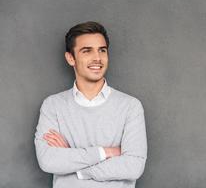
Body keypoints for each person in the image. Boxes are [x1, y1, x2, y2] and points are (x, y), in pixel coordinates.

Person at [34, 21, 147, 188]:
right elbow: (48, 161)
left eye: (102, 50)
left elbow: (133, 167)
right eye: (87, 51)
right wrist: (106, 152)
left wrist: (74, 164)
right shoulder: (53, 106)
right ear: (70, 58)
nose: (97, 58)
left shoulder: (130, 106)